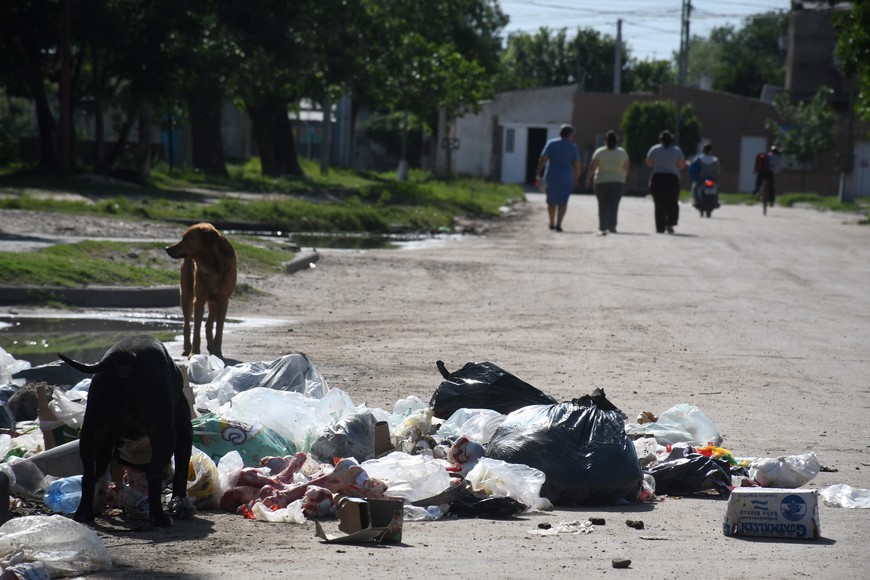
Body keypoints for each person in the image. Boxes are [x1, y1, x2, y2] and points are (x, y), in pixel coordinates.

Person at [535, 124, 581, 232]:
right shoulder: (573, 147)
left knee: (551, 201)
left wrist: (538, 173)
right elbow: (577, 164)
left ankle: (552, 222)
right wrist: (576, 177)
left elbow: (543, 159)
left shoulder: (551, 144)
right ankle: (559, 224)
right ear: (570, 134)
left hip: (552, 175)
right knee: (563, 201)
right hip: (566, 176)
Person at [585, 130, 629, 235]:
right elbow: (626, 167)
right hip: (618, 181)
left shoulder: (599, 152)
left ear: (605, 141)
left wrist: (588, 178)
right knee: (614, 205)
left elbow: (593, 166)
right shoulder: (622, 152)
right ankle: (612, 226)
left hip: (601, 181)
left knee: (602, 205)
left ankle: (602, 227)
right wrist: (623, 177)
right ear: (616, 141)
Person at [645, 130, 688, 234]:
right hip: (672, 178)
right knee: (672, 202)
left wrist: (657, 164)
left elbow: (648, 163)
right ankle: (670, 224)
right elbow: (681, 165)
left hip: (658, 178)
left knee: (659, 203)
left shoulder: (654, 149)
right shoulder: (677, 150)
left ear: (660, 140)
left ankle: (660, 227)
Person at [690, 144, 720, 209]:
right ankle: (716, 201)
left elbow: (693, 169)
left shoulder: (699, 158)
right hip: (711, 180)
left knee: (694, 187)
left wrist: (695, 178)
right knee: (716, 188)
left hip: (701, 180)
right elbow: (717, 171)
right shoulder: (715, 159)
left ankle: (696, 201)